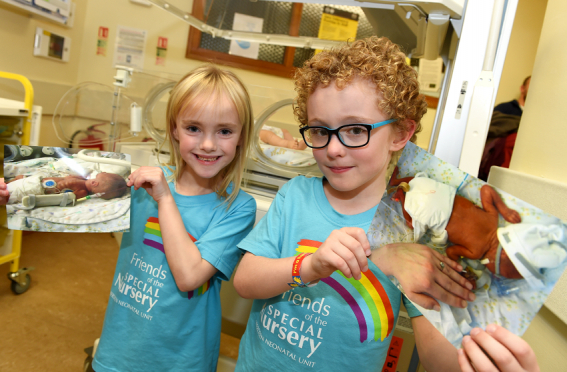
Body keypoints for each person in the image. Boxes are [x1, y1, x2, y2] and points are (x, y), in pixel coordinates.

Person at [232, 37, 539, 372]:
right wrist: (310, 266)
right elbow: (245, 281)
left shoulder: (414, 232)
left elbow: (438, 359)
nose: (333, 149)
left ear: (400, 134)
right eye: (320, 130)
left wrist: (484, 352)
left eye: (354, 129)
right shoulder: (296, 195)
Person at [91, 65, 257, 372]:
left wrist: (165, 199)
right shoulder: (143, 184)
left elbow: (189, 276)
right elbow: (77, 206)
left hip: (180, 360)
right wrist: (17, 196)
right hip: (119, 349)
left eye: (224, 131)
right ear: (174, 130)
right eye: (194, 128)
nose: (208, 144)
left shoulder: (237, 208)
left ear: (241, 138)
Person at [1, 172, 127, 203]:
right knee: (16, 180)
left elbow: (70, 195)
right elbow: (69, 176)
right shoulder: (82, 179)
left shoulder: (82, 190)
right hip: (34, 180)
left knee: (11, 193)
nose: (103, 171)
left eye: (104, 173)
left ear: (95, 183)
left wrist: (63, 185)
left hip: (37, 188)